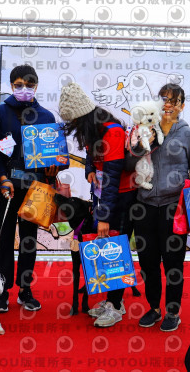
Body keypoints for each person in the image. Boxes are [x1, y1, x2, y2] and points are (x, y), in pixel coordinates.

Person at [59, 82, 137, 327]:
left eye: (75, 123)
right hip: (105, 195)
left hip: (122, 197)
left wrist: (103, 217)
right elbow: (90, 156)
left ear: (84, 118)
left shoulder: (112, 132)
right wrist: (90, 170)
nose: (75, 128)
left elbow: (112, 178)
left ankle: (116, 305)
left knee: (116, 248)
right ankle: (112, 300)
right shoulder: (95, 130)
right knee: (104, 248)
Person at [132, 83, 190, 332]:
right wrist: (143, 144)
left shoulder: (188, 133)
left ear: (182, 105)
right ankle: (154, 308)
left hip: (174, 206)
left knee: (173, 262)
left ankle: (172, 311)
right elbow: (131, 159)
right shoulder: (144, 127)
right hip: (145, 204)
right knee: (147, 261)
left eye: (174, 100)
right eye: (164, 99)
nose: (168, 104)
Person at [0, 65, 58, 313]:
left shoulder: (46, 116)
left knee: (29, 241)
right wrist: (3, 177)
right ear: (11, 86)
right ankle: (1, 291)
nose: (24, 89)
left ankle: (25, 289)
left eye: (29, 85)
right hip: (6, 186)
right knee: (3, 239)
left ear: (36, 86)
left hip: (36, 188)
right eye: (19, 85)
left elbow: (53, 154)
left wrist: (54, 169)